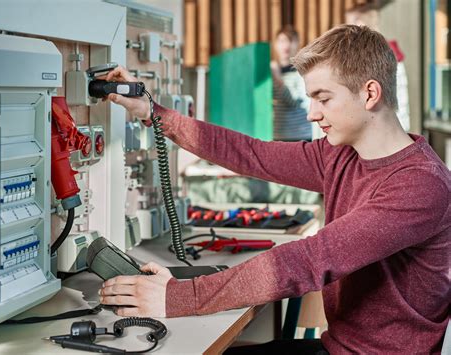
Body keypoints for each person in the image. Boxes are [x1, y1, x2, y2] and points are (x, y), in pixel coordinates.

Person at [99, 25, 450, 354]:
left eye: (323, 98)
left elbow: (309, 260)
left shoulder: (419, 184)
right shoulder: (341, 156)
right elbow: (252, 154)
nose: (312, 113)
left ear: (370, 93)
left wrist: (178, 297)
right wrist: (152, 112)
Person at [345, 0, 411, 132]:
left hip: (386, 129)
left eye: (349, 26)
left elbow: (398, 99)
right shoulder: (363, 54)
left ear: (361, 24)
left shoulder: (384, 56)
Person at [271, 25, 312, 142]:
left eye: (291, 40)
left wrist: (278, 79)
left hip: (300, 136)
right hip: (278, 135)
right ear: (275, 44)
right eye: (282, 41)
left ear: (298, 43)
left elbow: (295, 103)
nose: (286, 45)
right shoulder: (270, 71)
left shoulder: (302, 71)